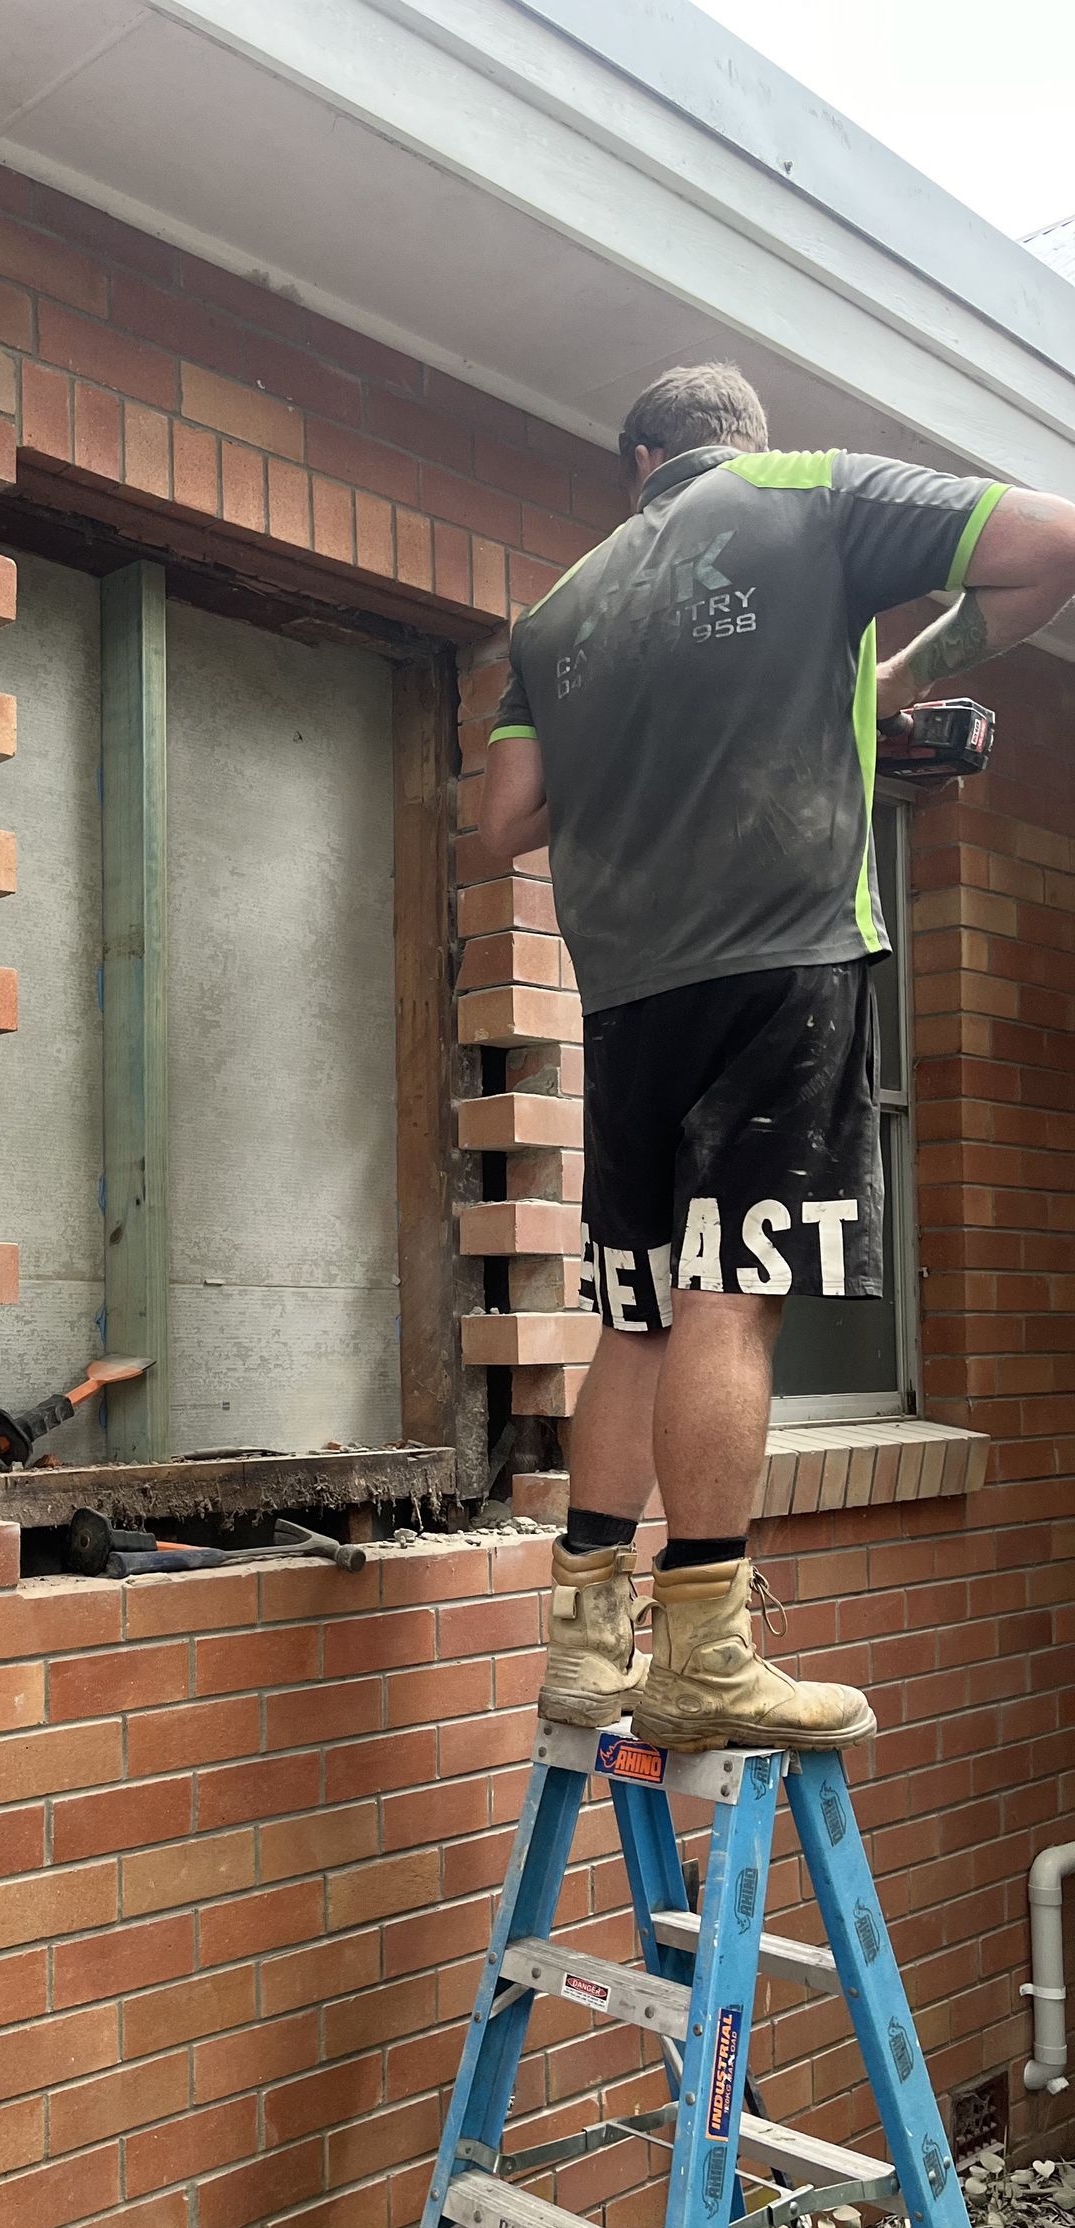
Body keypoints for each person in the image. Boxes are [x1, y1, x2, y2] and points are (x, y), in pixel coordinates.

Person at [479, 362, 1075, 1753]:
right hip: (780, 958)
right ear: (739, 444)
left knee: (635, 1307)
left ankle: (584, 1645)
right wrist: (893, 679)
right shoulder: (814, 497)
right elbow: (1054, 541)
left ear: (638, 464)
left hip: (624, 994)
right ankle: (702, 1651)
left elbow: (508, 814)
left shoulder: (558, 610)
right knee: (730, 1299)